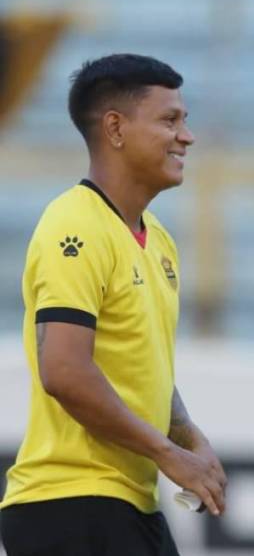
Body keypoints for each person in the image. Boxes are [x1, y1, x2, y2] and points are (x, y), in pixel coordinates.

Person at [0, 54, 227, 556]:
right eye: (170, 120)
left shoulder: (159, 240)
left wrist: (188, 437)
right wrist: (168, 453)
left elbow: (143, 363)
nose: (186, 137)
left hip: (126, 503)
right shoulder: (74, 225)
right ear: (115, 128)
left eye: (184, 120)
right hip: (70, 502)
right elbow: (63, 370)